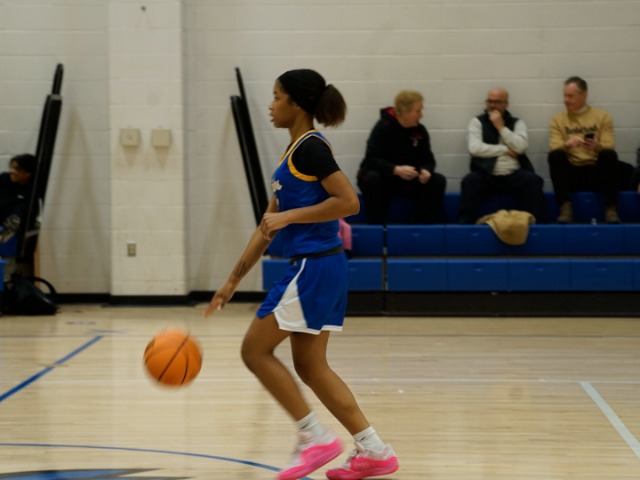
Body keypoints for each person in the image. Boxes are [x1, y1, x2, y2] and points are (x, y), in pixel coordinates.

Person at [204, 69, 399, 480]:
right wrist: (232, 280)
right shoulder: (293, 153)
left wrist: (290, 216)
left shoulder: (310, 149)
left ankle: (315, 438)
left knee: (254, 351)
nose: (270, 105)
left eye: (277, 97)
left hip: (314, 266)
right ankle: (374, 450)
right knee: (311, 367)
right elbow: (267, 225)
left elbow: (349, 202)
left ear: (295, 103)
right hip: (320, 266)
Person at [356, 90, 446, 224]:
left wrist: (427, 170)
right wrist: (395, 170)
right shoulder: (383, 127)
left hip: (409, 178)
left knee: (438, 180)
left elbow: (428, 159)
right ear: (404, 111)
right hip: (385, 178)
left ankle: (418, 225)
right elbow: (372, 159)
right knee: (372, 178)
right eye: (418, 111)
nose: (421, 115)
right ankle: (378, 226)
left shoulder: (420, 131)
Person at [459, 87, 547, 224]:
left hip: (513, 174)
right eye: (489, 101)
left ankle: (539, 225)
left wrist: (501, 127)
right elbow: (474, 148)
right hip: (486, 174)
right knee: (469, 181)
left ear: (506, 104)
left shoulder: (517, 123)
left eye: (497, 102)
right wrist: (504, 149)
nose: (492, 105)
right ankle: (466, 225)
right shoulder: (477, 122)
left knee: (533, 181)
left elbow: (521, 146)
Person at [548, 76, 621, 223]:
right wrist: (567, 144)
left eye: (571, 96)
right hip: (572, 173)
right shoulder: (558, 119)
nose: (566, 100)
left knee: (609, 155)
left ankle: (610, 209)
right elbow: (554, 146)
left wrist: (597, 147)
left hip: (595, 171)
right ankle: (565, 208)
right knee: (555, 156)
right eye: (565, 95)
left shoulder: (602, 116)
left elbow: (609, 144)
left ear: (583, 95)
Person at [0, 154, 36, 243]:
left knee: (22, 206)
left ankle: (9, 229)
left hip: (12, 218)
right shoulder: (4, 178)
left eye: (17, 169)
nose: (12, 171)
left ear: (28, 173)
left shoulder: (32, 190)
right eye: (12, 167)